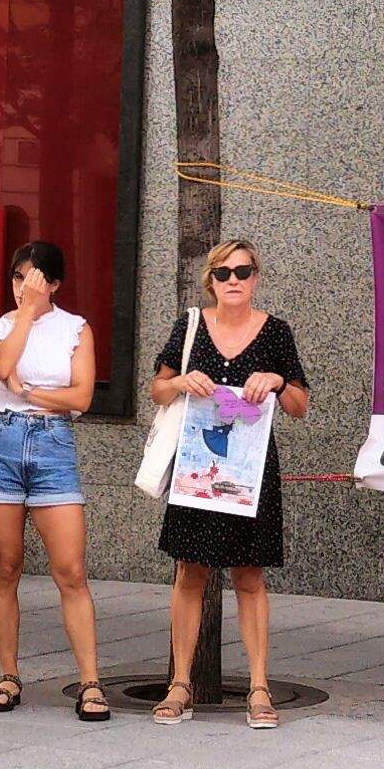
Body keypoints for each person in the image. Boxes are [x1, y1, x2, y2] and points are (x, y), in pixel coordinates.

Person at [151, 238, 312, 729]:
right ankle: (181, 684)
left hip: (251, 470)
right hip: (197, 468)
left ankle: (259, 686)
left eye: (242, 271)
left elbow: (301, 405)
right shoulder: (190, 326)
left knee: (249, 576)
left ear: (256, 277)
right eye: (223, 273)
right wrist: (181, 383)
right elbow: (158, 388)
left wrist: (278, 382)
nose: (234, 280)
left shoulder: (276, 333)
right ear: (211, 281)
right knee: (190, 573)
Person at [0, 240, 108, 721]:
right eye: (16, 278)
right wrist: (25, 313)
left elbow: (82, 397)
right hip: (2, 443)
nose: (22, 287)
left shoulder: (76, 328)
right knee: (5, 566)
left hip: (53, 444)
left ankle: (90, 682)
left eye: (34, 279)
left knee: (70, 569)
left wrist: (30, 392)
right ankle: (8, 675)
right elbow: (1, 367)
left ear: (54, 283)